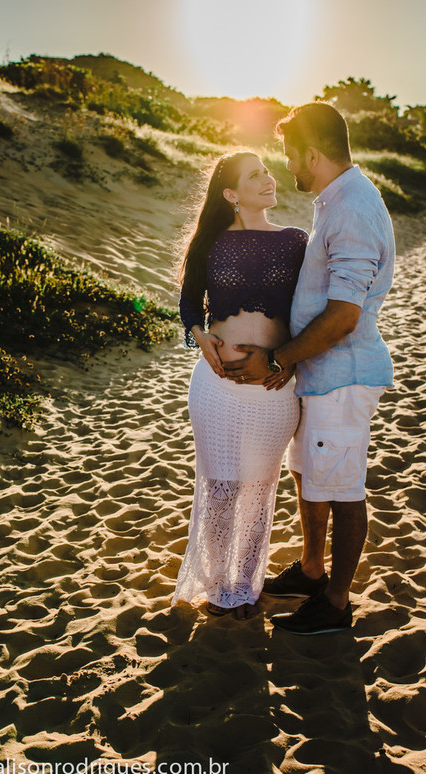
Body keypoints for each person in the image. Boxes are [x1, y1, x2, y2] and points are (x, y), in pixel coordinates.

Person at [222, 102, 394, 636]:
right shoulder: (336, 200)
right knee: (310, 475)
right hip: (321, 376)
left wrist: (278, 358)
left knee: (342, 488)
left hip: (343, 376)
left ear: (313, 153)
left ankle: (336, 604)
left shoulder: (352, 210)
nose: (289, 168)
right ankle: (314, 571)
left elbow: (345, 315)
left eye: (292, 156)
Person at [172, 151, 307, 621]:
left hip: (273, 388)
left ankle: (243, 588)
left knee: (258, 487)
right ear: (231, 194)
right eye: (255, 175)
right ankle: (217, 587)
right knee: (221, 488)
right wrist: (199, 334)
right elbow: (189, 305)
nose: (268, 179)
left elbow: (307, 312)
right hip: (217, 387)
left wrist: (289, 361)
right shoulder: (209, 243)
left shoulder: (295, 242)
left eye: (267, 171)